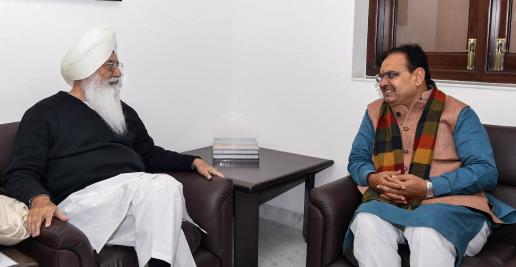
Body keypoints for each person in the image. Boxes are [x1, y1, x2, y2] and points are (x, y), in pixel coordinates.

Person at [1, 25, 224, 267]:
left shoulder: (122, 111)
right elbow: (19, 171)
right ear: (86, 69)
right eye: (110, 66)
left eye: (118, 65)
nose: (118, 72)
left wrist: (192, 161)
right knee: (163, 186)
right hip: (84, 204)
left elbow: (148, 153)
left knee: (168, 231)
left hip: (133, 202)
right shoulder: (43, 113)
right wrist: (39, 198)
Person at [344, 44, 516, 267]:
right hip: (389, 204)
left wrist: (427, 187)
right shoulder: (374, 112)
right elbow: (357, 159)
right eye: (381, 77)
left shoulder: (459, 113)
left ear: (418, 76)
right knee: (366, 221)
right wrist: (372, 178)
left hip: (452, 208)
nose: (383, 82)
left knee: (425, 231)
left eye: (392, 75)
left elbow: (485, 171)